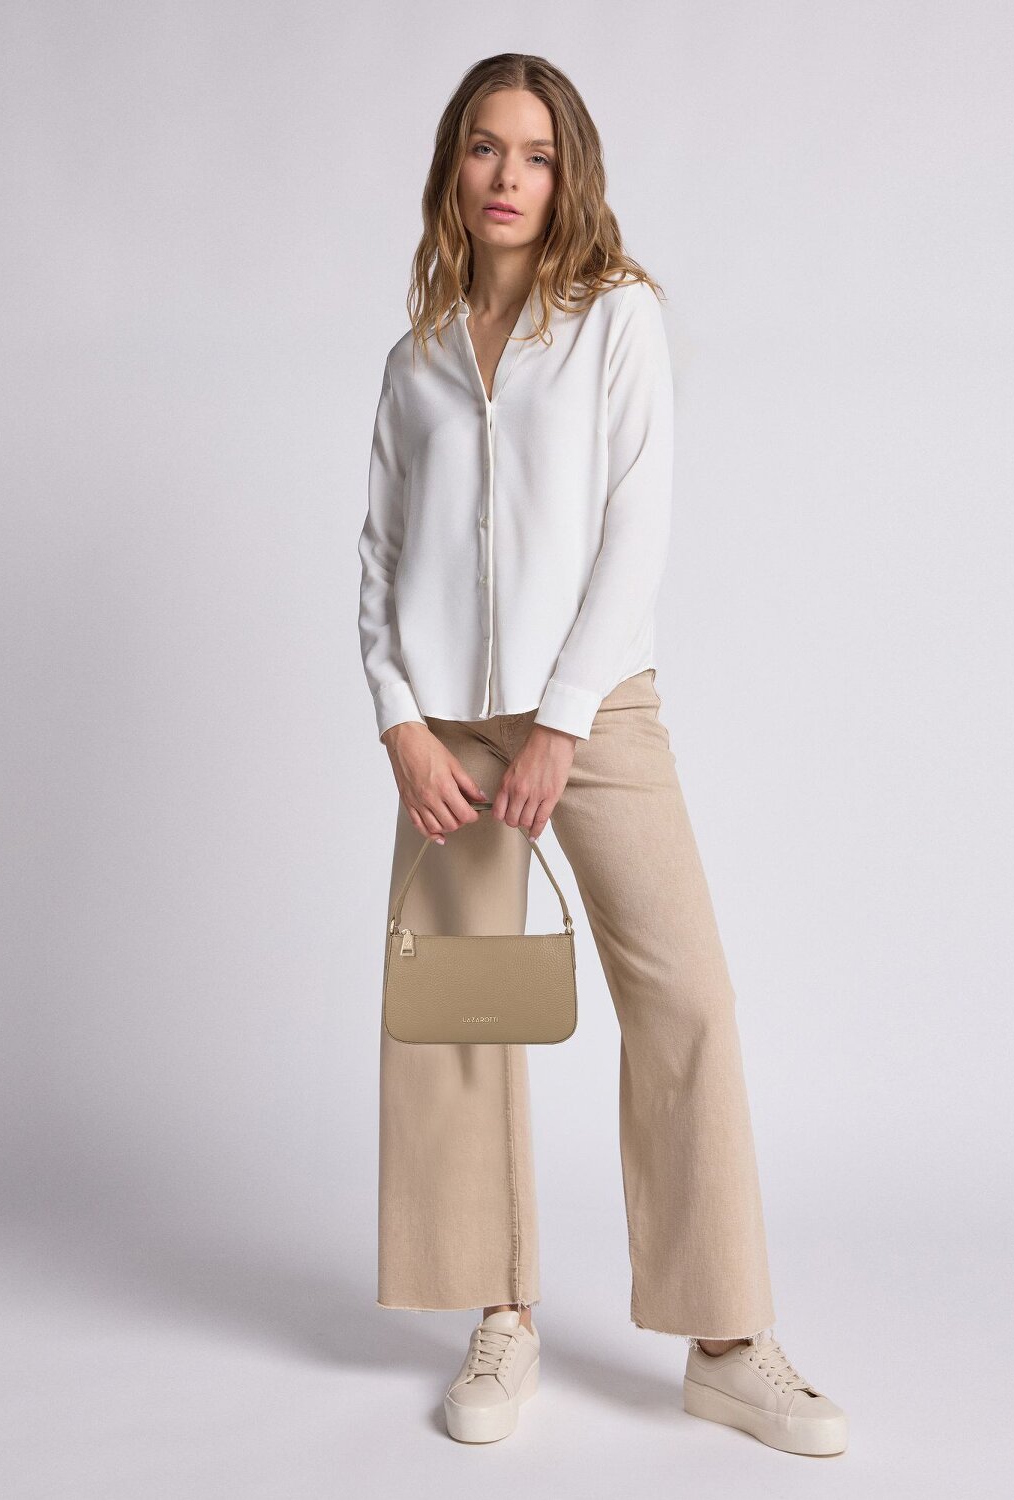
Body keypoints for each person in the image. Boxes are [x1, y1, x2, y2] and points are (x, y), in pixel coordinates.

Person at [356, 52, 850, 1457]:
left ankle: (729, 1340)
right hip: (446, 729)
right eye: (484, 148)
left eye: (536, 153)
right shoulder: (415, 358)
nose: (508, 176)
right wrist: (400, 718)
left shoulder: (614, 317)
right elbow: (379, 555)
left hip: (597, 705)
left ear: (569, 171)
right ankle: (501, 1314)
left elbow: (638, 523)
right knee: (466, 1014)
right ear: (452, 168)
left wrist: (565, 718)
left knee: (684, 992)